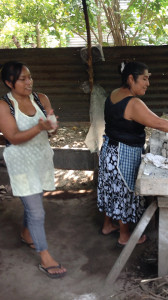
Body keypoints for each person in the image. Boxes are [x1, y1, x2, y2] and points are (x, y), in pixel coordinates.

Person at [97, 61, 168, 247]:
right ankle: (124, 236)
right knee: (124, 192)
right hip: (123, 153)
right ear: (131, 78)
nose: (148, 83)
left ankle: (107, 225)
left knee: (111, 187)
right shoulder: (133, 103)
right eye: (144, 79)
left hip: (109, 150)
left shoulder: (115, 94)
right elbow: (159, 123)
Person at [0, 61, 66, 278]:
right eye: (22, 79)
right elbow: (13, 138)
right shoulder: (4, 106)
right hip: (20, 162)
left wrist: (52, 126)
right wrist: (39, 127)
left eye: (30, 77)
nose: (29, 82)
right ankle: (45, 257)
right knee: (37, 211)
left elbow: (52, 128)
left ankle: (27, 234)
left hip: (40, 159)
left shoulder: (41, 98)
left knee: (36, 199)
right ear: (9, 83)